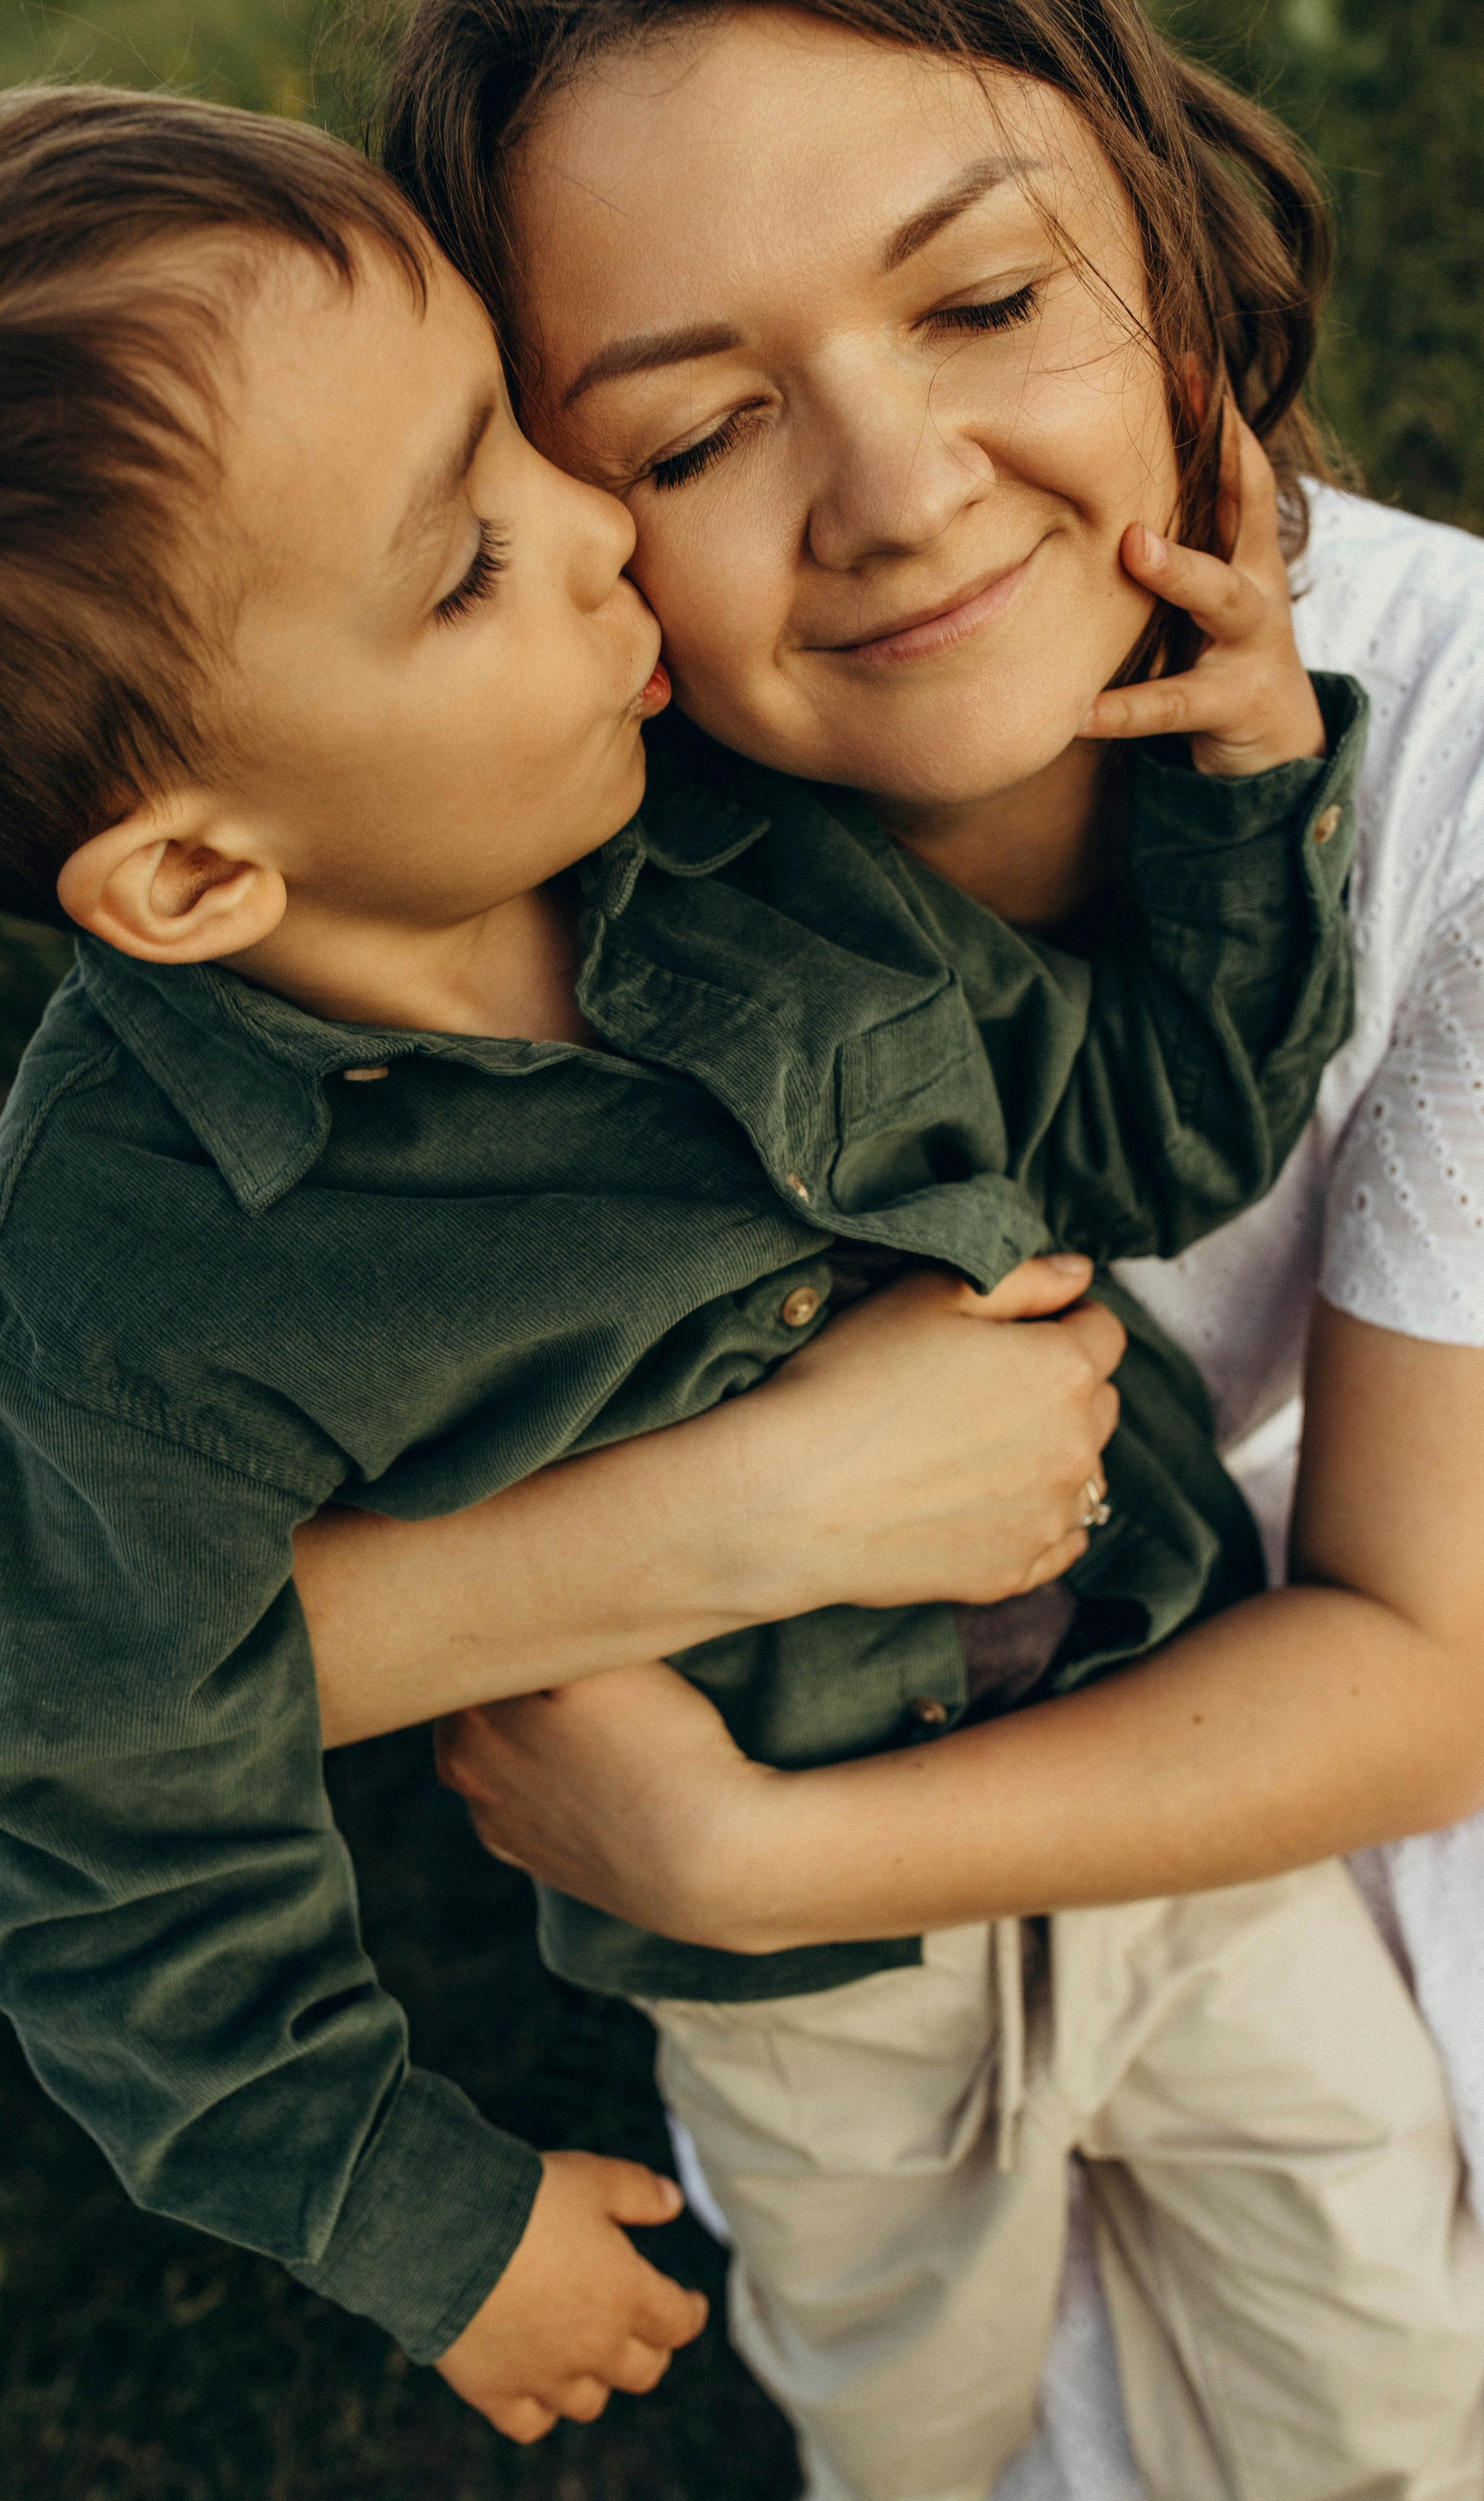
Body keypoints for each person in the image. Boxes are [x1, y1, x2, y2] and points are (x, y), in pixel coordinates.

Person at [0, 72, 1405, 2487]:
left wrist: (1238, 818)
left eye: (531, 445)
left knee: (1374, 2352)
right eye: (464, 559)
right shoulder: (137, 1290)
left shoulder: (734, 847)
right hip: (792, 1994)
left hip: (1162, 1764)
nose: (595, 534)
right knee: (919, 2402)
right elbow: (84, 1801)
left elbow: (1138, 1148)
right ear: (191, 876)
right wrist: (416, 2216)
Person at [303, 3, 1484, 2494]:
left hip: (1270, 1733)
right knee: (917, 2396)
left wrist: (735, 1851)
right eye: (697, 429)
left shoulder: (1438, 749)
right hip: (832, 1904)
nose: (896, 491)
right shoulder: (498, 834)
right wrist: (754, 1518)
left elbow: (1424, 1660)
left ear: (1173, 266)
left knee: (1374, 2368)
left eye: (980, 303)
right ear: (542, 511)